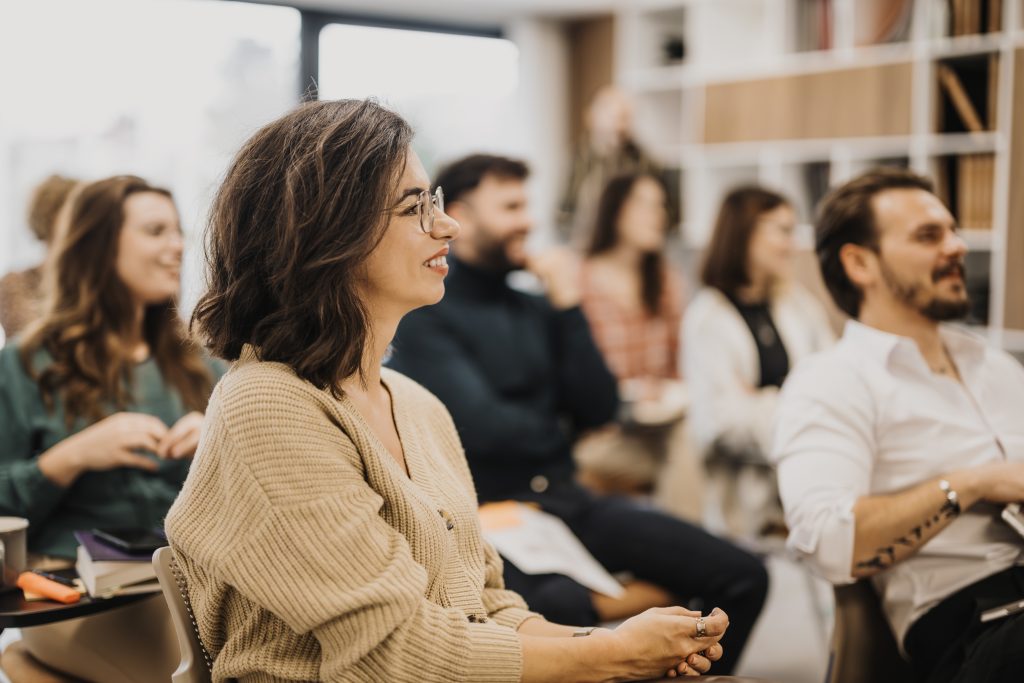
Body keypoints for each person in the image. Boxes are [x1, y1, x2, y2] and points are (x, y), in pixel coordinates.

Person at [166, 99, 729, 682]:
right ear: (328, 234)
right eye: (416, 208)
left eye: (434, 201)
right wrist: (611, 655)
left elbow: (487, 607)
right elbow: (392, 654)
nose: (447, 225)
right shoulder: (268, 405)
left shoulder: (416, 404)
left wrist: (613, 646)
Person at [388, 153, 767, 675]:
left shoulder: (537, 307)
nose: (529, 221)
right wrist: (559, 430)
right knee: (560, 606)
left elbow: (601, 406)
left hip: (567, 498)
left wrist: (568, 304)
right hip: (491, 512)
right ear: (465, 216)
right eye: (512, 207)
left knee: (742, 574)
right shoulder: (426, 311)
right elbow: (480, 427)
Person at [772, 168, 1024, 683]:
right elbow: (825, 539)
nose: (956, 246)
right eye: (929, 236)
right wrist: (975, 482)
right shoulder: (832, 381)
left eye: (952, 230)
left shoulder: (994, 365)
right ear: (860, 262)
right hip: (974, 625)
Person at [0, 175, 222, 682]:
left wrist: (219, 443)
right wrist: (70, 457)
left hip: (192, 586)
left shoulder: (202, 366)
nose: (177, 246)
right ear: (99, 248)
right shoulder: (25, 367)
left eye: (178, 231)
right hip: (77, 598)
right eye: (155, 231)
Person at [684, 186, 834, 539]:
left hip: (809, 472)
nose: (792, 244)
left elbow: (833, 382)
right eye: (782, 231)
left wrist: (761, 400)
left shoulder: (797, 303)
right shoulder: (707, 319)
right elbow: (721, 423)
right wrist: (800, 408)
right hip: (746, 494)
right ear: (745, 233)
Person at [575, 171, 699, 521]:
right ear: (614, 211)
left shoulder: (665, 281)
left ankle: (689, 550)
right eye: (644, 204)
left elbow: (682, 362)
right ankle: (691, 549)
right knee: (689, 457)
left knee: (691, 440)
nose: (657, 215)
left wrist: (664, 389)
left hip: (660, 425)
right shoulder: (579, 281)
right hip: (602, 433)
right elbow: (572, 375)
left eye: (661, 206)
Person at [558, 86, 659, 246]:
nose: (620, 126)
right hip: (582, 245)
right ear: (591, 116)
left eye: (626, 117)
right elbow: (562, 213)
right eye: (614, 116)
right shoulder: (576, 159)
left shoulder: (643, 162)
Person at [0, 174, 78, 337]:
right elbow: (30, 339)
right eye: (75, 212)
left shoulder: (87, 283)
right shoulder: (14, 283)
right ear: (50, 216)